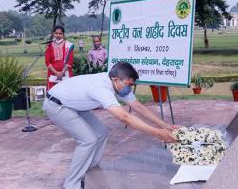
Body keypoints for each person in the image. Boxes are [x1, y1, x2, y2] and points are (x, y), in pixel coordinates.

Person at [42, 62, 178, 189]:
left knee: (101, 132)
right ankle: (71, 184)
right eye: (128, 84)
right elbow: (124, 117)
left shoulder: (118, 85)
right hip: (57, 105)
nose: (129, 89)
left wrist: (166, 126)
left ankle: (89, 167)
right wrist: (157, 133)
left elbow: (138, 106)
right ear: (116, 80)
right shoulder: (101, 88)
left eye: (132, 85)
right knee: (88, 139)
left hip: (75, 105)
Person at [45, 25, 74, 90]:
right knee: (53, 94)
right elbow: (47, 62)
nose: (58, 35)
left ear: (63, 34)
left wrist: (62, 73)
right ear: (53, 34)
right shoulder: (49, 46)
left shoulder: (68, 46)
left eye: (60, 33)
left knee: (67, 93)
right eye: (56, 33)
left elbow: (70, 61)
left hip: (66, 73)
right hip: (52, 74)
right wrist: (56, 73)